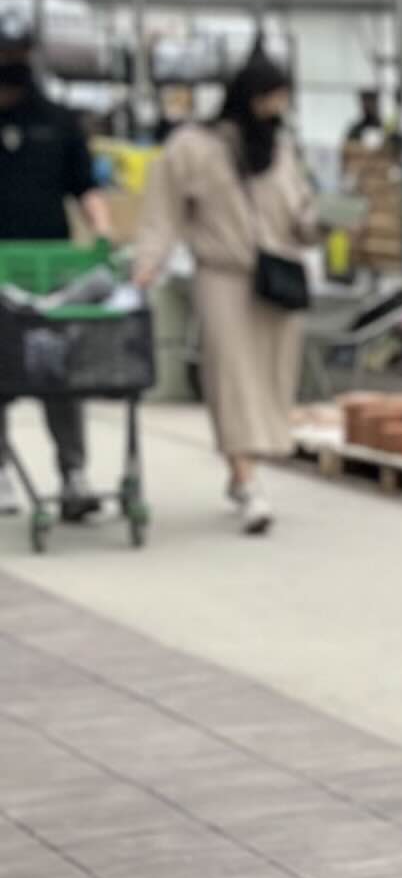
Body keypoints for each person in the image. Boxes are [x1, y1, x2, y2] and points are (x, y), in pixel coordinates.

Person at [128, 49, 318, 533]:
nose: (278, 108)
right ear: (250, 95)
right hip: (223, 277)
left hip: (278, 279)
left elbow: (300, 215)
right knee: (231, 378)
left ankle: (242, 473)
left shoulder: (281, 148)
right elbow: (163, 211)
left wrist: (330, 221)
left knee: (272, 379)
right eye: (272, 97)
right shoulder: (193, 146)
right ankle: (247, 480)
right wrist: (148, 262)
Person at [0, 28, 115, 519]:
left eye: (18, 53)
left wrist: (103, 233)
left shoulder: (57, 121)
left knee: (58, 373)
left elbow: (85, 186)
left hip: (50, 270)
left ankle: (73, 473)